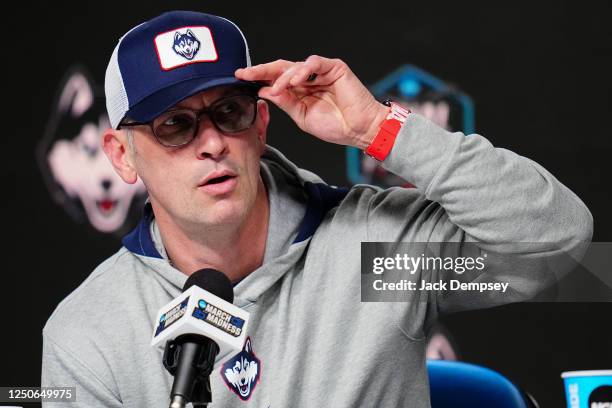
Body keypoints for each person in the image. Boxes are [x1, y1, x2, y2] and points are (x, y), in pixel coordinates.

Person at [41, 10, 593, 408]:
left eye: (229, 113)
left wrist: (380, 129)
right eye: (175, 125)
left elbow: (556, 239)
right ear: (122, 153)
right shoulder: (90, 331)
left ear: (259, 125)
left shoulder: (376, 257)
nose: (211, 143)